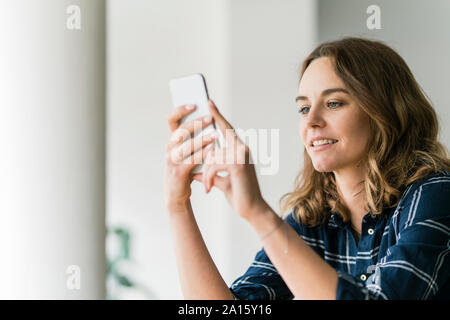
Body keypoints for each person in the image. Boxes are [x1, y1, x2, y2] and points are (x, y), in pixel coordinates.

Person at [163, 37, 450, 300]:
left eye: (333, 103)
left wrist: (258, 213)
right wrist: (178, 206)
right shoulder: (313, 219)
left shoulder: (435, 194)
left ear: (385, 112)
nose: (311, 120)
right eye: (303, 108)